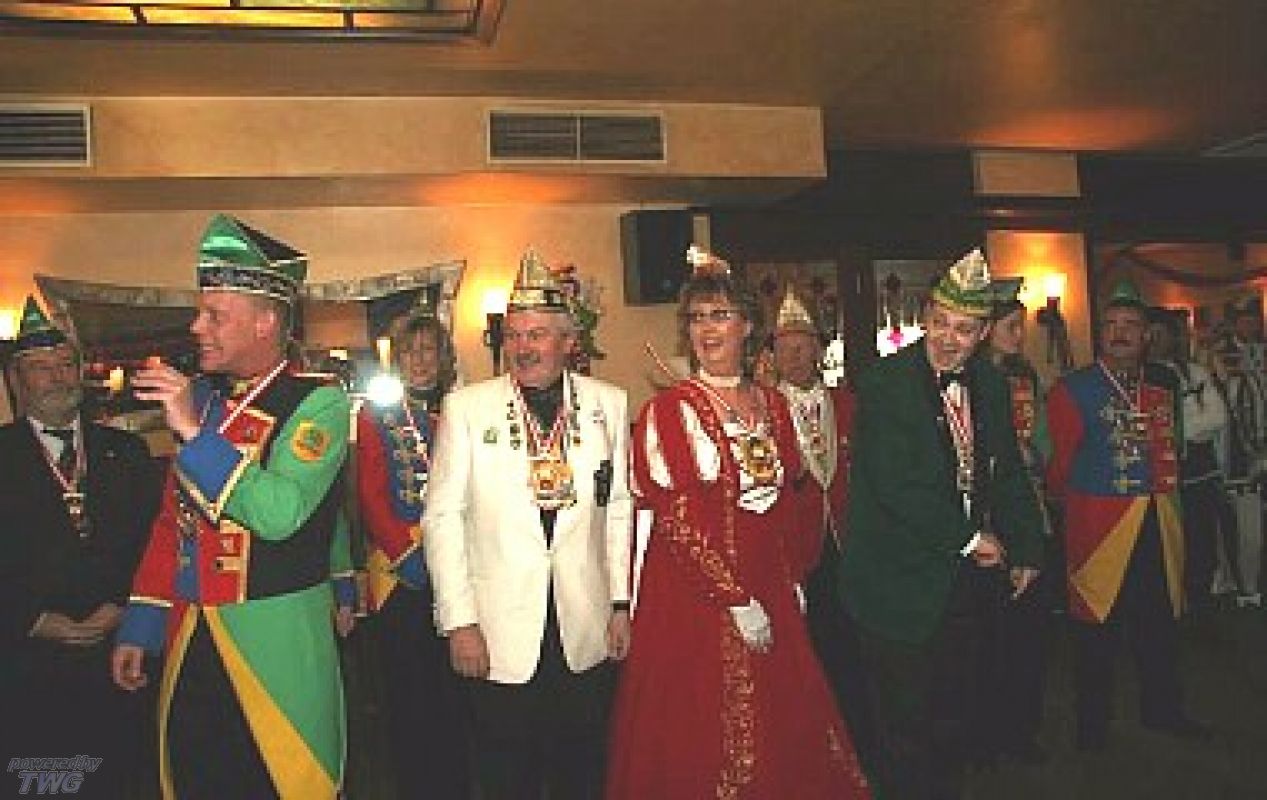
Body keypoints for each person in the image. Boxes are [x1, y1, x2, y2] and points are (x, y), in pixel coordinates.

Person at [607, 247, 870, 799]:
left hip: (768, 580)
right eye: (697, 318)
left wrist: (790, 577)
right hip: (694, 594)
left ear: (747, 325)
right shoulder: (670, 411)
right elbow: (678, 521)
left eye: (720, 315)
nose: (707, 329)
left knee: (784, 722)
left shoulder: (773, 405)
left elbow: (786, 503)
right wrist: (734, 598)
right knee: (705, 729)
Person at [110, 214, 352, 798]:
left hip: (276, 645)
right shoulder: (203, 400)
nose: (197, 327)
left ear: (266, 322)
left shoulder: (319, 404)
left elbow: (280, 513)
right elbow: (174, 523)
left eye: (215, 315)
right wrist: (142, 623)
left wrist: (195, 436)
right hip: (191, 639)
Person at [423, 249, 632, 800]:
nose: (523, 347)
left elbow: (619, 509)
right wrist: (459, 622)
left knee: (581, 774)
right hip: (497, 632)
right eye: (514, 335)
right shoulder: (467, 409)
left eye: (537, 334)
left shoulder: (609, 405)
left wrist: (621, 604)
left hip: (584, 625)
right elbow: (442, 518)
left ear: (568, 341)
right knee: (504, 777)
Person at [840, 248, 1044, 799]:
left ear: (983, 334)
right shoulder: (884, 384)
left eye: (964, 329)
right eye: (940, 323)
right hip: (894, 582)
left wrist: (1028, 546)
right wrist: (970, 538)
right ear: (925, 317)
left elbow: (1006, 471)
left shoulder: (990, 385)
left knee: (953, 715)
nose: (948, 339)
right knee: (902, 730)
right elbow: (898, 486)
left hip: (958, 583)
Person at [0, 297, 160, 797]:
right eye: (41, 368)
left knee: (124, 779)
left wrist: (124, 606)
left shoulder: (127, 452)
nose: (58, 377)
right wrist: (31, 620)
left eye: (66, 364)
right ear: (17, 380)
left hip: (121, 656)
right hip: (26, 664)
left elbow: (154, 541)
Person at [1046, 280, 1207, 751]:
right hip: (1100, 526)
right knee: (1096, 631)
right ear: (1100, 334)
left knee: (1159, 624)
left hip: (1159, 519)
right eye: (1111, 325)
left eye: (1130, 325)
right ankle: (1092, 728)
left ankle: (1163, 710)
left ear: (1147, 335)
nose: (1120, 333)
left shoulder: (1161, 387)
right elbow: (1058, 467)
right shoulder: (1073, 389)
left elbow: (1173, 449)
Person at [356, 306, 471, 799]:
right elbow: (370, 495)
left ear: (443, 357)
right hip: (402, 573)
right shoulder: (376, 415)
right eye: (410, 352)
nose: (420, 360)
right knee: (409, 698)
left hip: (460, 572)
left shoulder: (464, 412)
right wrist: (409, 558)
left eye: (428, 350)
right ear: (396, 359)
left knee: (457, 696)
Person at [769, 286, 877, 775]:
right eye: (785, 348)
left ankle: (859, 744)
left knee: (852, 652)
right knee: (802, 654)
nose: (795, 357)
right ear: (771, 354)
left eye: (802, 346)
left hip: (848, 546)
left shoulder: (847, 403)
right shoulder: (763, 408)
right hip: (795, 552)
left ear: (818, 350)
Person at [979, 279, 1054, 764]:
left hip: (1026, 509)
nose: (1019, 336)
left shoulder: (1025, 378)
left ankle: (1021, 730)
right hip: (983, 519)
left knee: (1028, 632)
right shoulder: (965, 381)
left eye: (1020, 327)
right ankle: (987, 732)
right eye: (1011, 327)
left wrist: (1031, 456)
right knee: (988, 636)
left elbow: (1045, 445)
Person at [1148, 307, 1229, 612]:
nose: (1155, 340)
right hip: (1160, 475)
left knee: (1201, 538)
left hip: (1199, 470)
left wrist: (1182, 428)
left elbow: (1217, 416)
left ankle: (1200, 598)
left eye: (1161, 333)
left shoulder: (1194, 372)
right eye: (1150, 333)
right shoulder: (1141, 376)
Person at [1210, 295, 1266, 607]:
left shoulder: (1261, 352)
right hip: (1233, 452)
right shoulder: (1220, 355)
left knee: (1249, 522)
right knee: (1237, 522)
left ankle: (1245, 580)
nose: (1250, 324)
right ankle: (1239, 581)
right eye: (1244, 319)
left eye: (1254, 319)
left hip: (1256, 446)